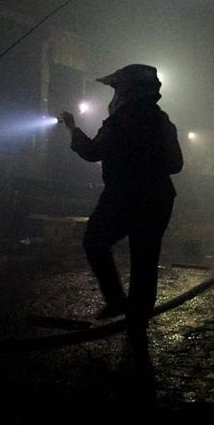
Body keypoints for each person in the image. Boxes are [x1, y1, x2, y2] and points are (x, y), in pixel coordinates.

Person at [58, 64, 183, 341]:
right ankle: (137, 327)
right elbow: (176, 165)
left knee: (94, 241)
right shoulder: (162, 120)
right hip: (159, 198)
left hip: (124, 196)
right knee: (145, 261)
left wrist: (71, 129)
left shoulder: (121, 121)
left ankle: (116, 301)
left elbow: (91, 152)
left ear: (125, 91)